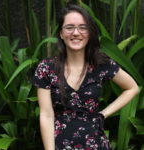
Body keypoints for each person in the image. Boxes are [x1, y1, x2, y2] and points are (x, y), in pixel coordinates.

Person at [32, 4, 139, 150]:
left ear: (90, 33)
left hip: (95, 143)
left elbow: (132, 88)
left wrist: (103, 114)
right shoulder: (46, 68)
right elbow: (46, 114)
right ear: (61, 34)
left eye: (83, 27)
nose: (76, 33)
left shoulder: (101, 64)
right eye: (69, 27)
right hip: (60, 144)